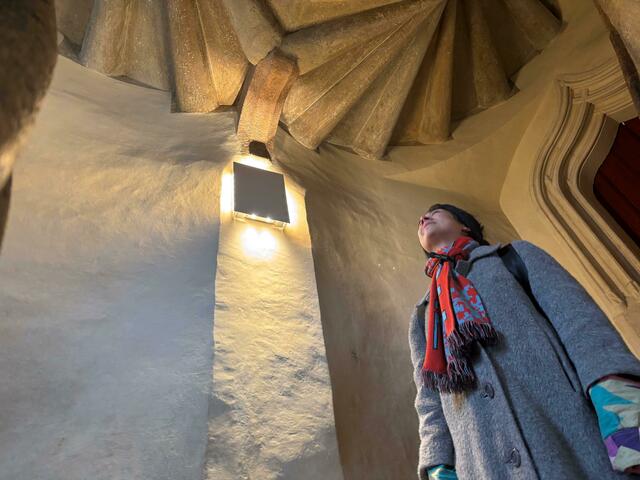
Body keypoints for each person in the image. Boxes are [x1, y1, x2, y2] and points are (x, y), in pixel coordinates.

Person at [408, 203, 640, 480]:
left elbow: (582, 325)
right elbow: (429, 398)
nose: (423, 217)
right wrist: (438, 465)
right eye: (422, 218)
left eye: (435, 212)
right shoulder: (424, 314)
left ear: (465, 226)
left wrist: (622, 411)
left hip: (569, 436)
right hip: (482, 465)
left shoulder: (514, 257)